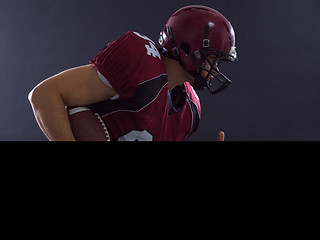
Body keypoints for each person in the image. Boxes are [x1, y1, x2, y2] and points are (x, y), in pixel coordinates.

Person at [28, 5, 237, 141]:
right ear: (187, 48)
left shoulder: (190, 111)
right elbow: (44, 94)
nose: (216, 69)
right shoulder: (140, 60)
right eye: (213, 59)